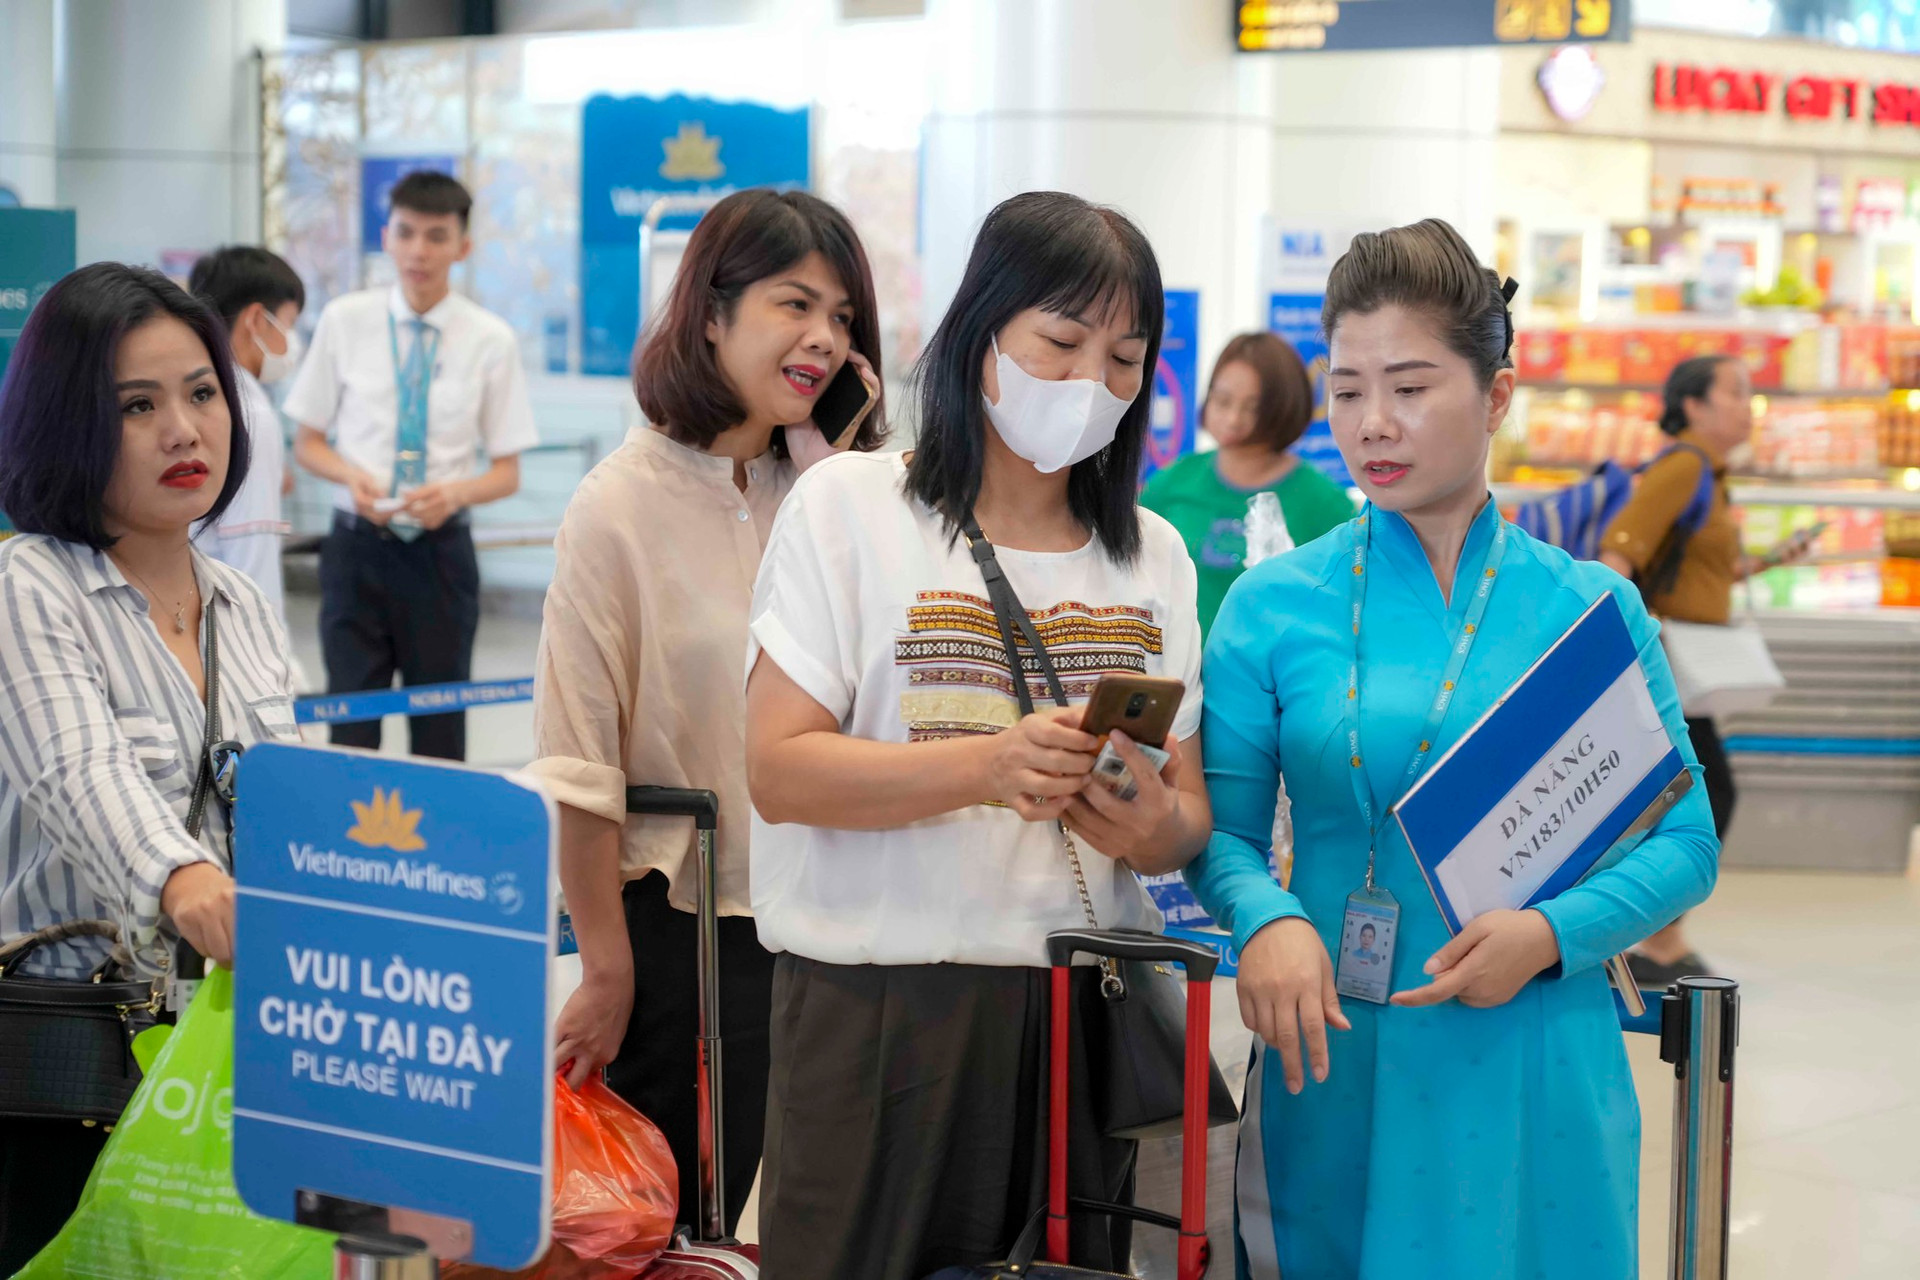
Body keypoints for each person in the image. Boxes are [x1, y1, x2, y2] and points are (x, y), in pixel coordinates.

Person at [1187, 219, 1719, 1279]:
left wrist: (1552, 930)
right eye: (1346, 389)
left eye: (1411, 386)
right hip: (1333, 1038)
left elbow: (1687, 841)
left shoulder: (1588, 609)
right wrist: (1269, 916)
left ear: (1499, 392)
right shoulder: (1271, 604)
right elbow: (1221, 835)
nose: (1372, 423)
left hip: (1536, 1047)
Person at [743, 191, 1214, 1278]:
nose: (1091, 382)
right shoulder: (851, 509)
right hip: (879, 1014)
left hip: (1078, 1015)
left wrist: (1144, 820)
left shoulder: (1155, 558)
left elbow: (1184, 818)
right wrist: (991, 765)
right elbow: (777, 768)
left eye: (1126, 358)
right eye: (1061, 341)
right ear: (980, 333)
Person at [527, 187, 885, 1236]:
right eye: (795, 304)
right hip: (680, 936)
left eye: (844, 318)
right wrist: (605, 963)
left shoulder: (841, 493)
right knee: (667, 1225)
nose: (822, 337)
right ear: (712, 314)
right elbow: (578, 761)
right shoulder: (617, 503)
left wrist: (842, 481)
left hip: (832, 922)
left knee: (807, 1221)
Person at [0, 263, 301, 1272]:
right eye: (137, 405)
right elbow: (80, 773)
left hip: (219, 1067)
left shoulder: (245, 607)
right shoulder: (27, 584)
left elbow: (287, 810)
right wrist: (186, 879)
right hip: (68, 1074)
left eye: (202, 391)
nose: (186, 429)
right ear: (65, 424)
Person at [284, 170, 537, 760]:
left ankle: (440, 852)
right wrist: (351, 477)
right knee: (350, 719)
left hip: (440, 558)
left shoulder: (490, 340)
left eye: (436, 236)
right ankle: (347, 851)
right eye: (406, 233)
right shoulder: (345, 322)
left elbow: (507, 472)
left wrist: (452, 495)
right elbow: (308, 443)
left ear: (462, 247)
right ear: (387, 237)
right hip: (355, 551)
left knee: (441, 725)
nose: (419, 251)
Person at [1598, 354, 1805, 988]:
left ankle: (1654, 936)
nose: (1749, 406)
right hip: (1664, 667)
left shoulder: (1710, 474)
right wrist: (1608, 651)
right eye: (1736, 393)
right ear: (1694, 405)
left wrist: (1767, 563)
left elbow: (1694, 571)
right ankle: (1649, 938)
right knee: (1703, 798)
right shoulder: (1684, 466)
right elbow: (1619, 551)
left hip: (1688, 668)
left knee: (1683, 799)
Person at [1142, 332, 1355, 636]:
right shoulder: (1173, 482)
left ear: (1283, 407)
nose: (1232, 418)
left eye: (1251, 407)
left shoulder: (1323, 502)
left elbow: (1347, 604)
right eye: (1223, 400)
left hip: (1276, 677)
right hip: (1181, 669)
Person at [188, 245, 306, 620]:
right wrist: (274, 662)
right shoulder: (250, 413)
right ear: (256, 319)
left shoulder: (192, 397)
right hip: (231, 625)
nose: (290, 340)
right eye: (287, 324)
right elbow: (252, 555)